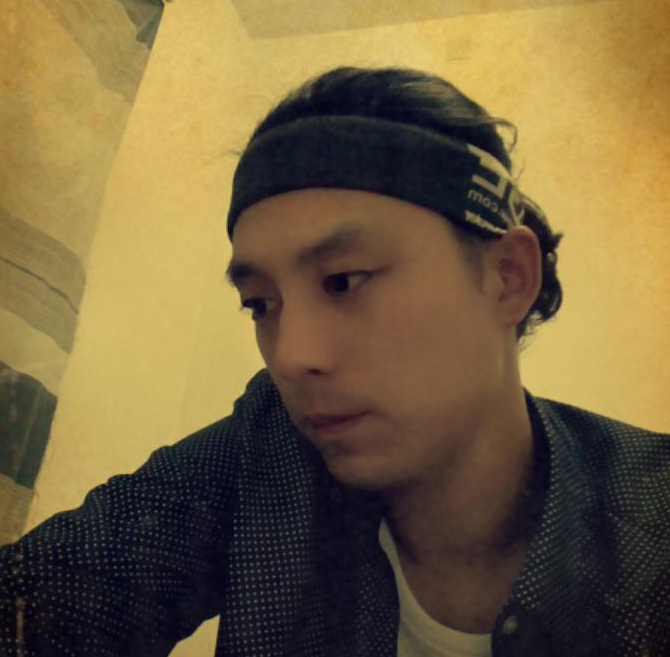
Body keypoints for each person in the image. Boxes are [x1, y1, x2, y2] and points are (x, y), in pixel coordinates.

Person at [1, 66, 668, 657]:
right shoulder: (267, 452)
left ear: (507, 277)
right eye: (260, 304)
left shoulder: (652, 516)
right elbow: (41, 600)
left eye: (345, 281)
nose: (291, 358)